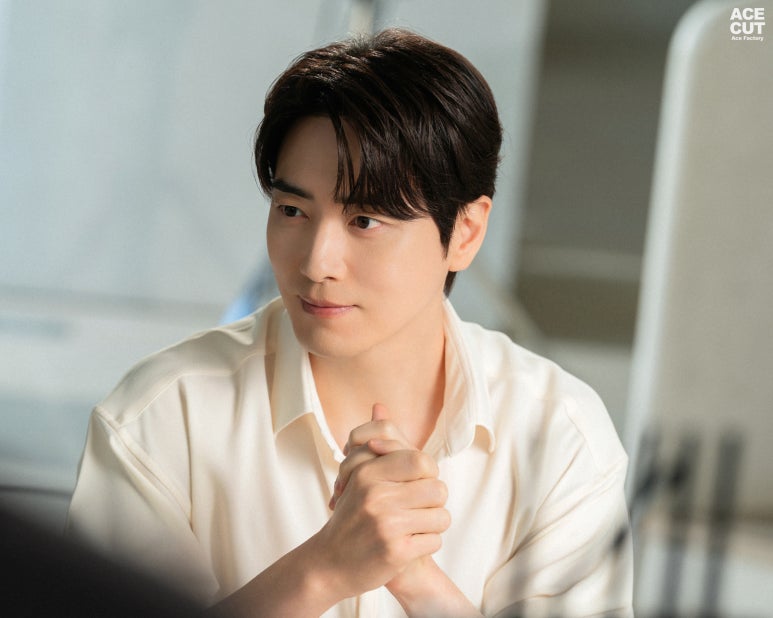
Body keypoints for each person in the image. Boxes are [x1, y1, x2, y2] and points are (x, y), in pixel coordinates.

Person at [66, 28, 633, 617]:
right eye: (292, 210)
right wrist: (323, 571)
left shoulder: (559, 436)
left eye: (365, 221)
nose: (316, 263)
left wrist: (417, 581)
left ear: (465, 232)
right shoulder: (161, 418)